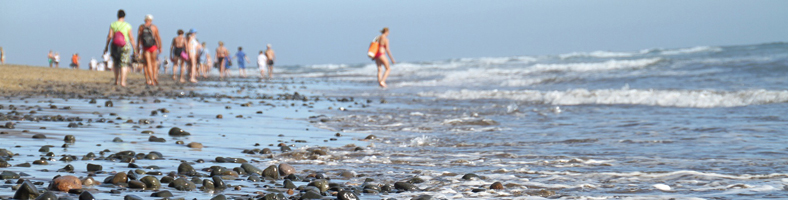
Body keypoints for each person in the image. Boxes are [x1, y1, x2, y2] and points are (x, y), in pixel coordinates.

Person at [103, 9, 136, 87]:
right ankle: (123, 81)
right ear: (124, 16)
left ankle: (116, 80)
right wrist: (135, 48)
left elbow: (110, 36)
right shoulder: (128, 25)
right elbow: (131, 38)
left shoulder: (113, 24)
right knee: (124, 64)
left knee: (116, 63)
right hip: (125, 45)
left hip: (114, 45)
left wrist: (106, 46)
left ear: (117, 15)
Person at [137, 14, 161, 86]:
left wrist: (138, 47)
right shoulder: (154, 27)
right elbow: (157, 37)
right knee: (154, 62)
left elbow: (139, 38)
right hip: (153, 47)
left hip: (145, 47)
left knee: (148, 64)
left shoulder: (141, 27)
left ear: (145, 19)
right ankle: (154, 76)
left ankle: (150, 80)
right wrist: (160, 46)